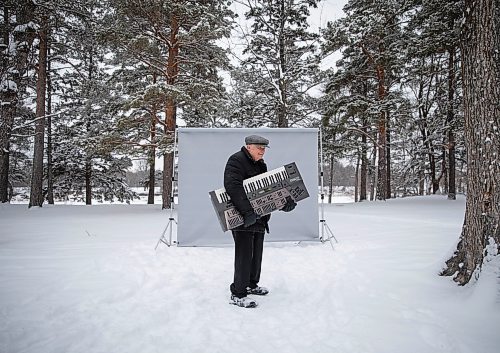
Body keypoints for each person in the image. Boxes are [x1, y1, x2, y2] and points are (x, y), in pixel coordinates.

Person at [224, 134, 297, 308]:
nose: (263, 151)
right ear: (249, 146)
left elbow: (266, 193)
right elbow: (232, 187)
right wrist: (247, 212)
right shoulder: (236, 160)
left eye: (264, 148)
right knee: (244, 254)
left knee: (256, 254)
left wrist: (283, 203)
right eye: (259, 148)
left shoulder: (260, 164)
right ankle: (238, 293)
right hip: (242, 217)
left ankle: (251, 284)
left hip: (259, 218)